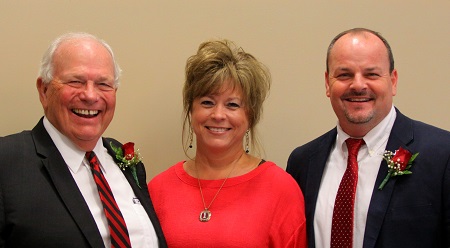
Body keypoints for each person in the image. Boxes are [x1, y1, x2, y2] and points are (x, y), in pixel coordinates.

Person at [287, 27, 450, 248]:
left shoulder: (442, 155)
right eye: (344, 74)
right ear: (327, 83)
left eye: (371, 74)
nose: (358, 85)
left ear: (393, 81)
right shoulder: (303, 162)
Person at [0, 32, 167, 247]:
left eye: (103, 84)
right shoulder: (7, 163)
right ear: (44, 90)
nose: (90, 95)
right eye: (75, 81)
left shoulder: (122, 157)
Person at [148, 39, 307, 247]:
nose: (218, 115)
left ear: (250, 116)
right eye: (207, 102)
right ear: (191, 110)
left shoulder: (281, 191)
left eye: (232, 105)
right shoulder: (158, 190)